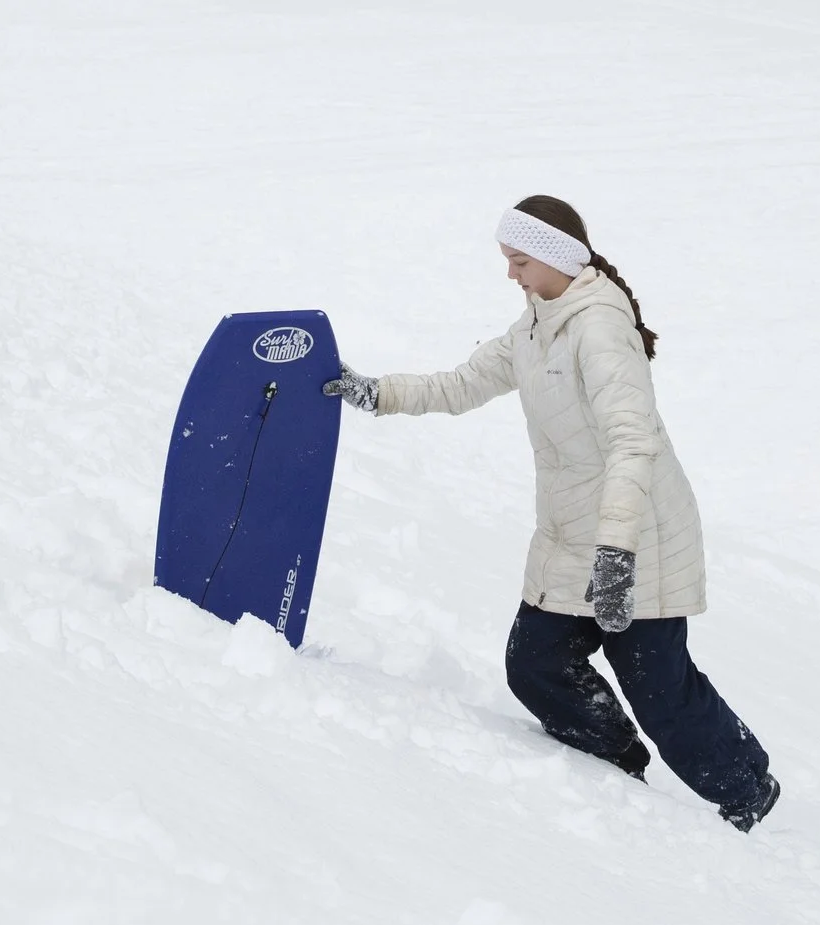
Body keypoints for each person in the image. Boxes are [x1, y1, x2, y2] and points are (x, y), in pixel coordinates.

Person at [324, 196, 781, 831]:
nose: (510, 274)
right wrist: (376, 393)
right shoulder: (537, 325)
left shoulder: (598, 331)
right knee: (536, 664)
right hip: (572, 539)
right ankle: (614, 763)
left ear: (557, 258)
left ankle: (746, 789)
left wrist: (617, 554)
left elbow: (634, 442)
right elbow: (461, 384)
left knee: (658, 687)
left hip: (636, 538)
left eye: (519, 261)